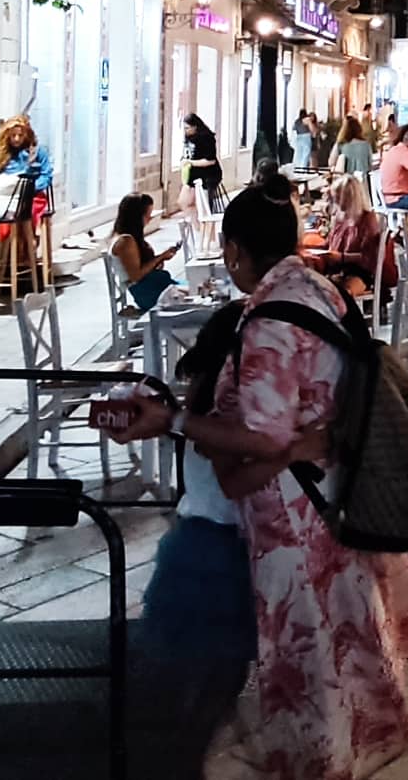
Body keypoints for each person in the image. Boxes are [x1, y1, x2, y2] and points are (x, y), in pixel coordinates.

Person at [116, 187, 408, 780]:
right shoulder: (318, 288)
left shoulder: (267, 320)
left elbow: (260, 440)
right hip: (335, 491)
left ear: (234, 250)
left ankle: (312, 761)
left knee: (309, 657)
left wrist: (173, 420)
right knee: (338, 649)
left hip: (294, 517)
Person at [138, 299, 311, 771]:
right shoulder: (225, 410)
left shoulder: (207, 399)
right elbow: (236, 482)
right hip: (217, 556)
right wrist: (295, 450)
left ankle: (183, 757)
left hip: (202, 545)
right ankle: (180, 762)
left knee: (207, 679)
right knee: (210, 680)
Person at [0, 116, 54, 285]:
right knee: (8, 214)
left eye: (20, 135)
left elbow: (46, 176)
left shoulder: (37, 152)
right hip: (7, 196)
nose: (16, 139)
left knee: (28, 210)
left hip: (32, 193)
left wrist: (29, 187)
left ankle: (27, 246)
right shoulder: (0, 155)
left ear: (27, 135)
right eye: (13, 136)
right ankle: (15, 251)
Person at [303, 176, 385, 300]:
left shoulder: (367, 219)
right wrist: (307, 248)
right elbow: (328, 244)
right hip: (335, 269)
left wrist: (342, 257)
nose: (335, 201)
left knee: (342, 293)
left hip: (359, 272)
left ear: (349, 197)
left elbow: (370, 257)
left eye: (337, 197)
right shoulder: (339, 219)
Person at [110, 193, 181, 313]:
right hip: (148, 292)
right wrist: (160, 257)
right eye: (147, 215)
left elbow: (141, 265)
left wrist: (160, 259)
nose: (149, 219)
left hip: (153, 284)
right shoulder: (126, 241)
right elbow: (136, 276)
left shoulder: (130, 238)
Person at [181, 113, 225, 211]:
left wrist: (190, 162)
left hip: (208, 174)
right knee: (184, 201)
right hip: (193, 174)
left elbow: (210, 160)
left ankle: (204, 219)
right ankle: (195, 220)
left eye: (187, 128)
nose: (185, 131)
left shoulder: (206, 138)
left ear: (195, 127)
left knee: (203, 205)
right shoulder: (188, 137)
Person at [331, 115, 373, 183]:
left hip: (345, 182)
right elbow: (370, 165)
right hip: (362, 182)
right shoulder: (366, 145)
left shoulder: (340, 144)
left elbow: (331, 162)